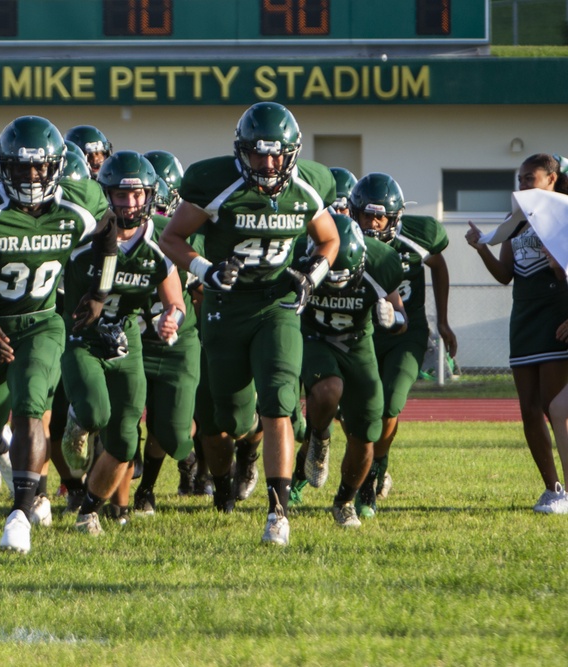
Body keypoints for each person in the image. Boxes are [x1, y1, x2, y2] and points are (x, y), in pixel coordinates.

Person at [0, 115, 118, 554]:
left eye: (39, 167)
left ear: (56, 166)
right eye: (20, 167)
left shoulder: (78, 202)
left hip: (41, 322)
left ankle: (20, 512)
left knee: (31, 404)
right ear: (3, 166)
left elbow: (108, 232)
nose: (31, 176)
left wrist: (99, 291)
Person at [160, 102, 339, 546]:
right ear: (241, 151)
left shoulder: (309, 185)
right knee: (226, 422)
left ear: (292, 152)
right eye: (258, 153)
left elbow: (330, 239)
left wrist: (311, 275)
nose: (268, 162)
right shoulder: (215, 182)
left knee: (279, 400)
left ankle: (278, 513)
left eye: (276, 153)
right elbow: (171, 237)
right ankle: (223, 485)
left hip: (277, 303)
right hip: (226, 306)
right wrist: (206, 271)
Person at [61, 151, 187, 533]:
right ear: (105, 194)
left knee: (125, 440)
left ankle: (89, 510)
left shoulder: (159, 239)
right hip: (82, 337)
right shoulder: (82, 235)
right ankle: (77, 420)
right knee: (96, 413)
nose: (130, 203)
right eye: (120, 194)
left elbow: (176, 301)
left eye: (137, 195)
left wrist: (172, 320)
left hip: (126, 337)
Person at [466, 153, 568, 514]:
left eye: (530, 179)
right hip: (523, 319)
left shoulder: (562, 217)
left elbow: (565, 272)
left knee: (556, 409)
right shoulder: (517, 220)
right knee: (529, 410)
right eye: (521, 179)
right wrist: (481, 248)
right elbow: (505, 274)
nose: (523, 185)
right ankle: (553, 489)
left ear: (552, 179)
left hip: (556, 319)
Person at [288, 214, 406, 526]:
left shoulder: (381, 261)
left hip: (357, 342)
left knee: (366, 431)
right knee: (329, 388)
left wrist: (392, 320)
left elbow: (401, 319)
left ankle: (344, 500)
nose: (338, 287)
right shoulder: (299, 252)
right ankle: (319, 437)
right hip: (314, 337)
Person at [351, 172, 456, 516]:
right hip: (361, 331)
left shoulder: (418, 236)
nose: (373, 222)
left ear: (396, 216)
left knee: (390, 403)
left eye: (380, 215)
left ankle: (372, 473)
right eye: (366, 214)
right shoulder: (346, 240)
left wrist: (442, 319)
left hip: (407, 333)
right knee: (356, 410)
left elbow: (438, 266)